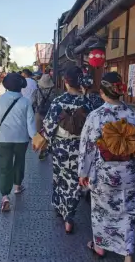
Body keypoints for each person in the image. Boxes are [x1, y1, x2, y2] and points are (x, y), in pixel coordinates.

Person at [79, 71, 135, 261]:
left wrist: (83, 172)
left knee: (101, 211)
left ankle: (100, 247)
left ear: (102, 93)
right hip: (128, 170)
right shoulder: (132, 114)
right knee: (127, 211)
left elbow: (87, 147)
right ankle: (128, 254)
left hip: (104, 172)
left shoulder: (96, 116)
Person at [41, 66, 91, 234]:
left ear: (65, 81)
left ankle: (59, 206)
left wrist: (48, 141)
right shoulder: (88, 102)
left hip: (61, 147)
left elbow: (48, 126)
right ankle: (69, 216)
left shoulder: (58, 101)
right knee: (75, 181)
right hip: (81, 148)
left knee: (59, 176)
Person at [0, 72, 37, 213]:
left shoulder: (0, 99)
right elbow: (30, 122)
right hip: (21, 139)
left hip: (4, 138)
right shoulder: (25, 102)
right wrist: (34, 138)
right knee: (20, 162)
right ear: (20, 87)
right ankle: (17, 186)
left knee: (4, 165)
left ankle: (5, 196)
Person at [35, 70, 56, 161]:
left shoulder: (37, 90)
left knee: (39, 132)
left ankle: (41, 149)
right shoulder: (54, 91)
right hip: (50, 114)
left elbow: (34, 102)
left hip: (39, 113)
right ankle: (46, 148)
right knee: (48, 132)